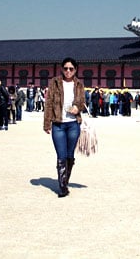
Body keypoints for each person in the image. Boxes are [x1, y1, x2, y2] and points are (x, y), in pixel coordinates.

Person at [43, 57, 86, 198]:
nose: (68, 71)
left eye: (71, 69)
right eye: (66, 68)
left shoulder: (79, 84)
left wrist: (77, 108)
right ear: (62, 69)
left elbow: (82, 102)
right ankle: (62, 187)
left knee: (69, 155)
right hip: (58, 124)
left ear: (75, 70)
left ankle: (65, 181)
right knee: (61, 155)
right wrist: (47, 123)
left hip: (73, 124)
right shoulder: (55, 82)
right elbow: (48, 103)